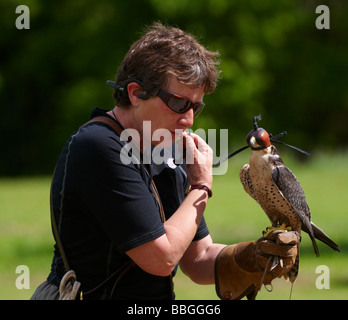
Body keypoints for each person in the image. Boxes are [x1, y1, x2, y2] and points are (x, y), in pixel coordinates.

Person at [31, 22, 299, 300]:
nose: (189, 119)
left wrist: (255, 256)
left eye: (196, 106)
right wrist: (202, 185)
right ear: (135, 93)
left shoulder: (167, 151)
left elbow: (198, 259)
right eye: (179, 103)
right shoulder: (98, 146)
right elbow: (161, 259)